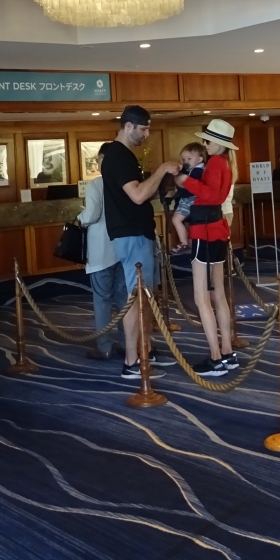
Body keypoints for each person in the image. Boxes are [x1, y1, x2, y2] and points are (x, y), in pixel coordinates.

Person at [100, 105, 181, 379]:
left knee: (145, 297)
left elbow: (140, 195)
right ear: (129, 126)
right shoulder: (118, 156)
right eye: (144, 128)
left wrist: (161, 182)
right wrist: (161, 169)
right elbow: (137, 195)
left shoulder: (124, 156)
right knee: (136, 299)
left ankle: (145, 350)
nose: (147, 134)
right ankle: (132, 361)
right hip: (131, 235)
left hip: (138, 233)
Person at [175, 120, 239, 377]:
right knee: (218, 294)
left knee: (202, 296)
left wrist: (185, 181)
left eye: (207, 141)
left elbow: (210, 195)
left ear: (217, 143)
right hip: (217, 229)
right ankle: (226, 351)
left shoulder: (215, 163)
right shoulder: (226, 163)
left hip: (204, 230)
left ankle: (215, 357)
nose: (204, 144)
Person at [77, 142, 127, 360]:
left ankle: (104, 346)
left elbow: (92, 215)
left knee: (102, 300)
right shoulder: (126, 183)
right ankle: (127, 343)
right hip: (122, 248)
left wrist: (78, 218)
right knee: (124, 300)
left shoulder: (96, 184)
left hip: (101, 251)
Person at [170, 143, 206, 253]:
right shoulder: (194, 170)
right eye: (184, 159)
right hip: (190, 200)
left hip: (190, 200)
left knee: (176, 219)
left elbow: (187, 184)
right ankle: (186, 242)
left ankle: (184, 243)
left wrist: (180, 174)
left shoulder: (197, 171)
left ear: (199, 159)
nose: (185, 162)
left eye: (189, 159)